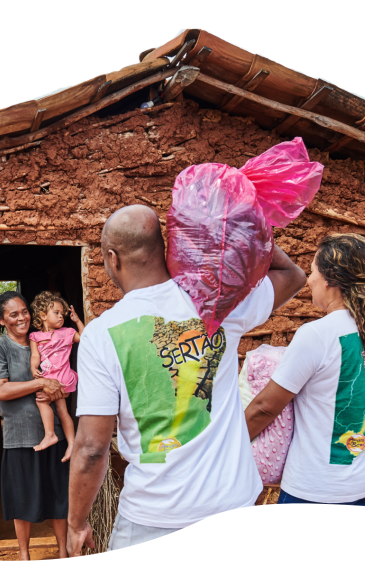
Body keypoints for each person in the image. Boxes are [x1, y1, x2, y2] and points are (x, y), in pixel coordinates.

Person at [67, 205, 307, 554]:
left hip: (153, 517)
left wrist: (77, 522)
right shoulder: (217, 302)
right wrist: (246, 227)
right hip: (233, 511)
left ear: (112, 259)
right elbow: (292, 275)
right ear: (163, 248)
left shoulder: (101, 335)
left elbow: (91, 447)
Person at [244, 233, 365, 506]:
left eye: (313, 271)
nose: (310, 279)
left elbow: (265, 408)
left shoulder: (317, 334)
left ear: (330, 278)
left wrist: (224, 445)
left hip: (320, 488)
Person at [0, 290, 70, 561]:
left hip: (54, 433)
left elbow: (61, 375)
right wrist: (40, 383)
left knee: (58, 497)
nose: (22, 318)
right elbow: (0, 391)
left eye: (24, 312)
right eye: (13, 314)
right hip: (19, 436)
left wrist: (59, 388)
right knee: (22, 500)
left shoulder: (41, 340)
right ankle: (24, 557)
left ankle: (63, 553)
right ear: (1, 320)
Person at [28, 290, 84, 461]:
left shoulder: (67, 332)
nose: (61, 317)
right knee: (62, 410)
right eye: (56, 313)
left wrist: (77, 321)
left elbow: (85, 337)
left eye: (62, 314)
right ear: (43, 316)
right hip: (50, 378)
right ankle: (71, 443)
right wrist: (33, 368)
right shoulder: (35, 336)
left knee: (41, 401)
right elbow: (35, 356)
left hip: (62, 377)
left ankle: (50, 434)